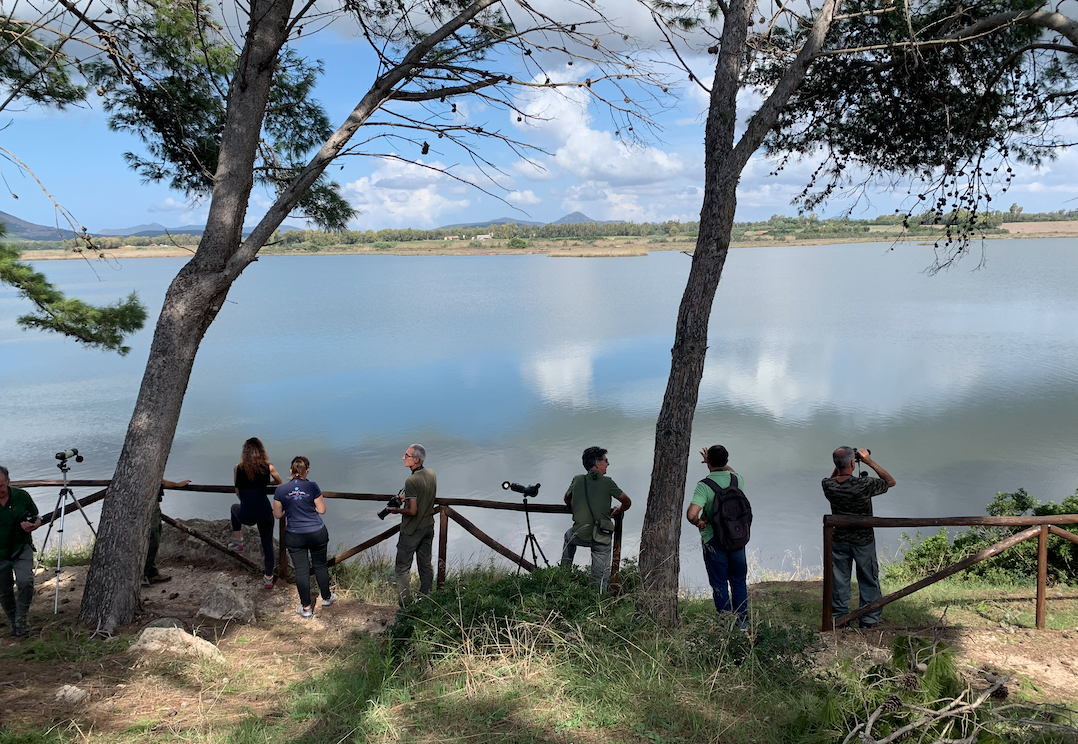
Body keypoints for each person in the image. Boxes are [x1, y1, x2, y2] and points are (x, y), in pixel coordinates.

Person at [822, 446, 897, 629]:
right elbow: (890, 481)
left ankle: (839, 619)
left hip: (839, 540)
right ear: (853, 464)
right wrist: (869, 461)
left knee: (839, 580)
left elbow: (834, 479)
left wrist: (841, 465)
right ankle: (869, 619)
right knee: (868, 578)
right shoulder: (864, 485)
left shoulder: (827, 485)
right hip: (863, 540)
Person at [686, 445, 748, 628]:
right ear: (727, 461)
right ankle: (743, 624)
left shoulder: (704, 485)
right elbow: (730, 471)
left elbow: (691, 514)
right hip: (737, 538)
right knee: (738, 581)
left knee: (720, 583)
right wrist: (717, 463)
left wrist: (698, 523)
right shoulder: (737, 480)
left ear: (708, 462)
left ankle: (726, 624)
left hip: (714, 539)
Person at [273, 456, 337, 618]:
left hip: (295, 535)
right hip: (317, 532)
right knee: (320, 565)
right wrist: (309, 508)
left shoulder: (280, 490)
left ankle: (307, 608)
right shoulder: (312, 486)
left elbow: (277, 514)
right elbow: (322, 510)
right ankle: (327, 598)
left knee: (301, 571)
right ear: (306, 470)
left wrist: (291, 509)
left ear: (290, 470)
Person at [560, 446, 631, 592]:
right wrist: (620, 509)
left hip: (579, 533)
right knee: (600, 578)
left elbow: (567, 499)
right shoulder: (608, 482)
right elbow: (627, 501)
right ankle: (597, 598)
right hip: (601, 537)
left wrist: (580, 508)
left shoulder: (578, 479)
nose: (608, 463)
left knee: (568, 536)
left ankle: (563, 576)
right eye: (606, 460)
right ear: (597, 463)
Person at [228, 438, 284, 589]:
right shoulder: (268, 467)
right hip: (265, 512)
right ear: (261, 451)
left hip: (247, 513)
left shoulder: (237, 468)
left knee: (234, 508)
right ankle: (268, 579)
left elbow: (238, 492)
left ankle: (239, 541)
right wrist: (266, 484)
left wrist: (246, 498)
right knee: (267, 545)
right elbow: (279, 482)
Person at [385, 444, 437, 606]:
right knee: (425, 564)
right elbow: (423, 493)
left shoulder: (411, 480)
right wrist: (406, 498)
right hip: (428, 525)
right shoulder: (431, 473)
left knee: (402, 568)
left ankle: (405, 606)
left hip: (412, 530)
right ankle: (426, 598)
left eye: (406, 456)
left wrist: (396, 511)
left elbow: (412, 511)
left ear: (416, 459)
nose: (403, 458)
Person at [0, 465, 41, 637]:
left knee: (25, 581)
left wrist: (33, 525)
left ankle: (21, 620)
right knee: (4, 590)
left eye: (0, 485)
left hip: (20, 547)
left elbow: (37, 517)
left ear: (8, 482)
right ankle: (14, 623)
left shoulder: (21, 496)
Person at [144, 477, 192, 586]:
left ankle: (152, 574)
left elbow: (160, 480)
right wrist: (177, 484)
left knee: (153, 541)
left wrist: (177, 484)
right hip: (147, 508)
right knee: (152, 542)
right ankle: (142, 574)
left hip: (154, 506)